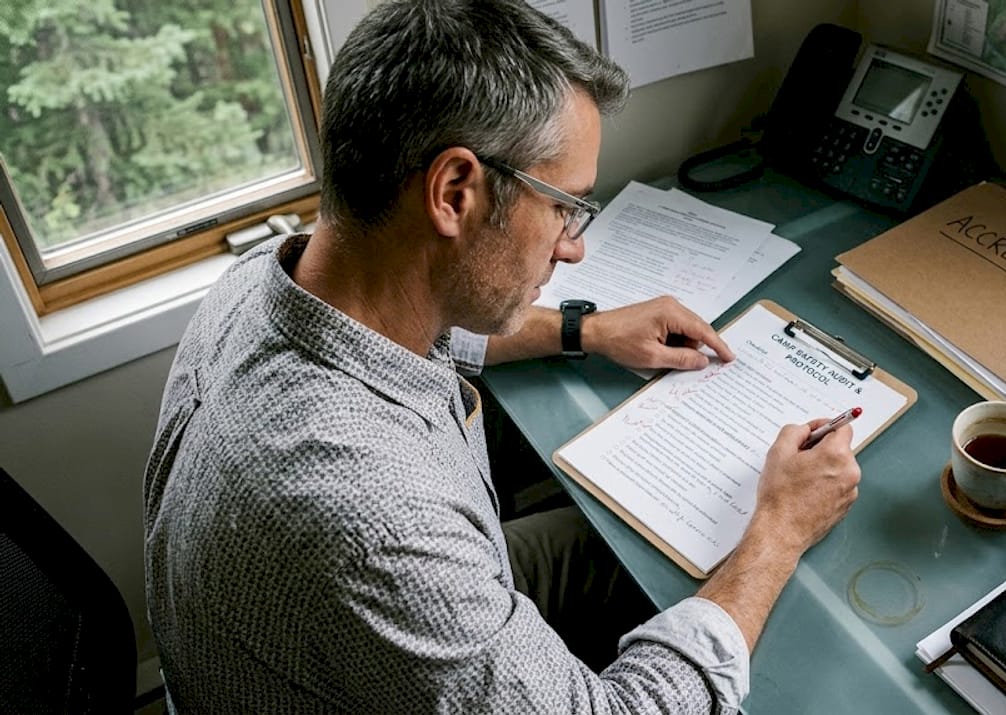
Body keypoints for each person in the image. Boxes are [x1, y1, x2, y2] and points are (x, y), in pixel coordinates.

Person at [142, 0, 862, 711]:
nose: (573, 244)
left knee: (626, 555)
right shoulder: (381, 526)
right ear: (455, 192)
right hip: (378, 604)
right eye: (564, 206)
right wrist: (779, 530)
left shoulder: (264, 281)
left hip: (324, 635)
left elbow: (420, 315)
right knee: (717, 569)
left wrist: (586, 328)